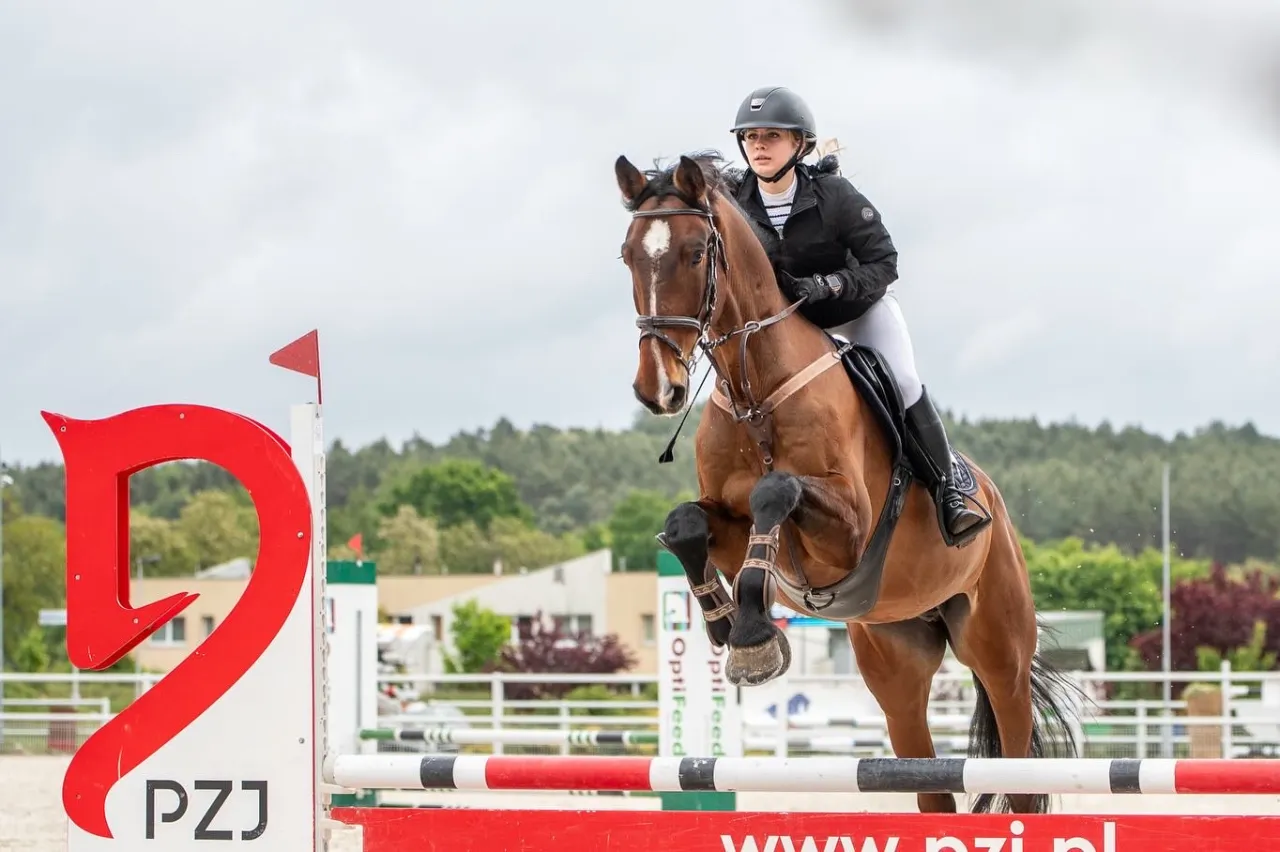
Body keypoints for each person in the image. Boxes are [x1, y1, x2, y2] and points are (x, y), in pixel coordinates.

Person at [728, 85, 990, 547]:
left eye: (772, 136)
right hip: (787, 327)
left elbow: (884, 262)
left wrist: (829, 285)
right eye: (750, 137)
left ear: (800, 145)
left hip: (854, 313)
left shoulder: (834, 194)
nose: (759, 146)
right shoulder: (734, 200)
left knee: (905, 381)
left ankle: (949, 492)